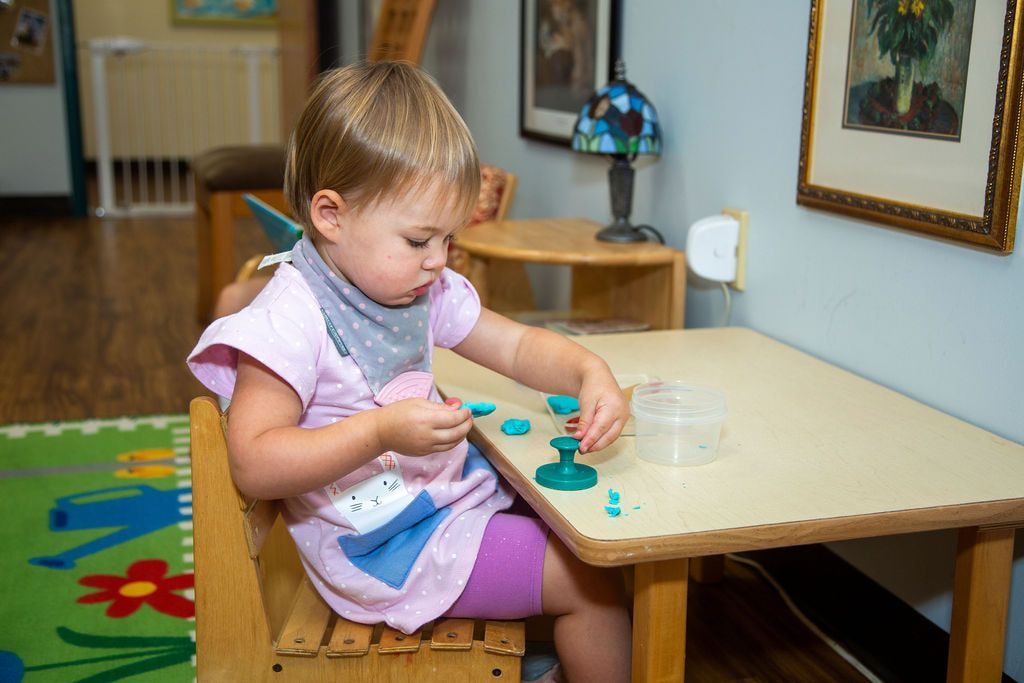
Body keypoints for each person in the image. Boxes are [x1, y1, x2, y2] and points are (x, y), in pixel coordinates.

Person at [187, 61, 631, 682]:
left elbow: (516, 348)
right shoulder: (289, 319)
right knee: (595, 583)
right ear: (331, 216)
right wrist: (378, 432)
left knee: (579, 529)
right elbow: (254, 463)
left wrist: (589, 370)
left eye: (449, 239)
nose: (438, 262)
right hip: (387, 549)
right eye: (420, 240)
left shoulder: (418, 286)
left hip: (442, 506)